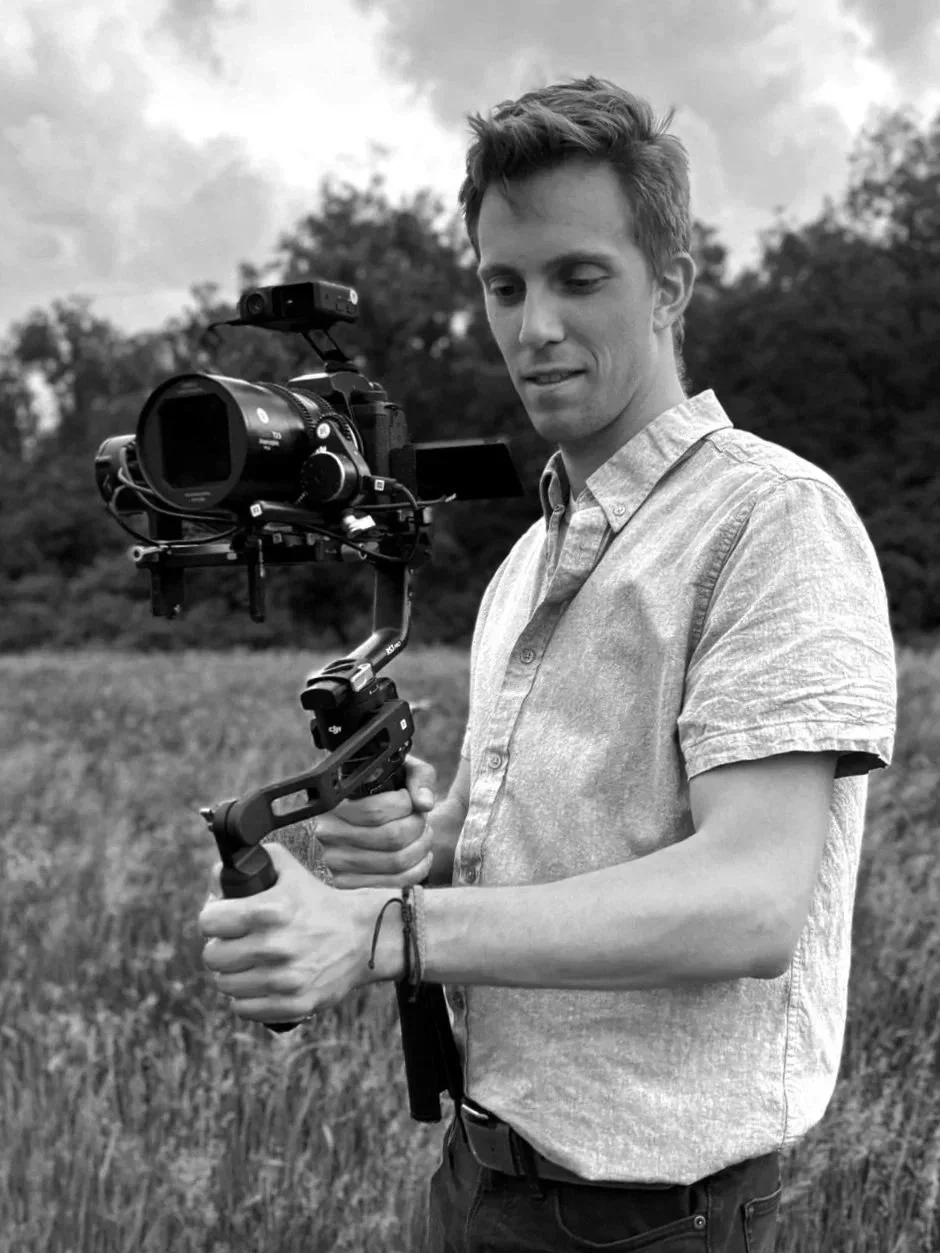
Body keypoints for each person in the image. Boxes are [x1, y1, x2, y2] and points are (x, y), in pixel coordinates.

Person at [199, 77, 898, 1252]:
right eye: (503, 284)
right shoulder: (531, 555)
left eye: (579, 277)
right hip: (476, 1178)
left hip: (654, 1219)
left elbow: (748, 902)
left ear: (670, 284)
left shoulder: (769, 521)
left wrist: (376, 933)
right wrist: (407, 844)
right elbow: (486, 834)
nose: (534, 328)